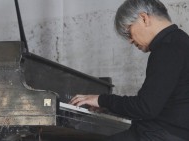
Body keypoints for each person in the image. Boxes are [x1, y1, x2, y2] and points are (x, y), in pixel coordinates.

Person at [69, 0, 189, 140]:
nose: (130, 41)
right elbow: (158, 103)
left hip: (159, 135)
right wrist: (110, 107)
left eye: (128, 32)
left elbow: (145, 108)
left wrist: (102, 100)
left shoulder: (168, 47)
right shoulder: (180, 41)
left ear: (144, 18)